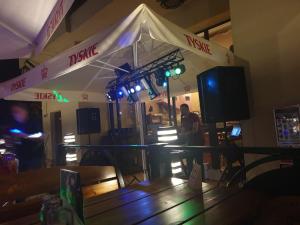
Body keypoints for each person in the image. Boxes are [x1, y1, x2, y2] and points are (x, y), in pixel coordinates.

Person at [7, 103, 44, 171]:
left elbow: (41, 137)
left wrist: (24, 135)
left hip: (33, 158)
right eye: (13, 112)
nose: (14, 114)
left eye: (16, 112)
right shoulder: (17, 124)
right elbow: (16, 141)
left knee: (32, 178)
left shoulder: (34, 121)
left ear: (25, 111)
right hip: (20, 157)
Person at [180, 104, 204, 177]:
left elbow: (195, 130)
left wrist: (185, 134)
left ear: (187, 109)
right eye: (181, 110)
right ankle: (191, 178)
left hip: (197, 142)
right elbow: (183, 130)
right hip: (189, 143)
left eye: (182, 110)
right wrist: (182, 134)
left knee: (199, 161)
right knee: (189, 160)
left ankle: (201, 179)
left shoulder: (194, 116)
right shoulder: (183, 118)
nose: (181, 111)